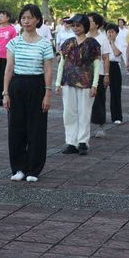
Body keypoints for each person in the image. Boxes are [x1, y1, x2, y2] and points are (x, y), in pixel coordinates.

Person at [3, 4, 54, 182]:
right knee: (16, 128)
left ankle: (33, 169)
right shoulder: (14, 42)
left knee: (36, 128)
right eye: (23, 18)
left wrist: (47, 93)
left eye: (30, 17)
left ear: (38, 20)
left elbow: (48, 70)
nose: (26, 21)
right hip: (17, 85)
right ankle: (18, 168)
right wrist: (5, 93)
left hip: (37, 85)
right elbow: (9, 69)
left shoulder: (45, 44)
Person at [55, 14, 100, 156]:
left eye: (78, 25)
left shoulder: (93, 43)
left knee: (84, 112)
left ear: (85, 26)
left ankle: (83, 142)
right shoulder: (67, 42)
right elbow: (62, 63)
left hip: (86, 82)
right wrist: (57, 82)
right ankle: (71, 142)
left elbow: (97, 65)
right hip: (68, 80)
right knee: (69, 113)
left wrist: (95, 85)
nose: (75, 28)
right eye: (73, 25)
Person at [87, 12, 111, 138]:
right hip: (85, 74)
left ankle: (100, 125)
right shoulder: (83, 36)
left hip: (100, 73)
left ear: (97, 24)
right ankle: (85, 126)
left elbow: (106, 58)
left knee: (99, 99)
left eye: (90, 21)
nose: (88, 23)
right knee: (84, 100)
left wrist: (107, 74)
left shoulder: (103, 38)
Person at [0, 10, 17, 106]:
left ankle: (8, 95)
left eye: (2, 16)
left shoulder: (12, 30)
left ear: (8, 18)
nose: (0, 18)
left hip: (8, 57)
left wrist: (14, 57)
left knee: (7, 76)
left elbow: (14, 44)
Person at [105, 24, 124, 124]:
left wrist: (112, 42)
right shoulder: (102, 42)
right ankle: (100, 116)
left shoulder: (120, 42)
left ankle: (117, 116)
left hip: (115, 66)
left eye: (112, 32)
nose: (110, 34)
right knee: (100, 93)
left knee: (116, 92)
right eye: (108, 32)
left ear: (116, 33)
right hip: (104, 66)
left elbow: (117, 53)